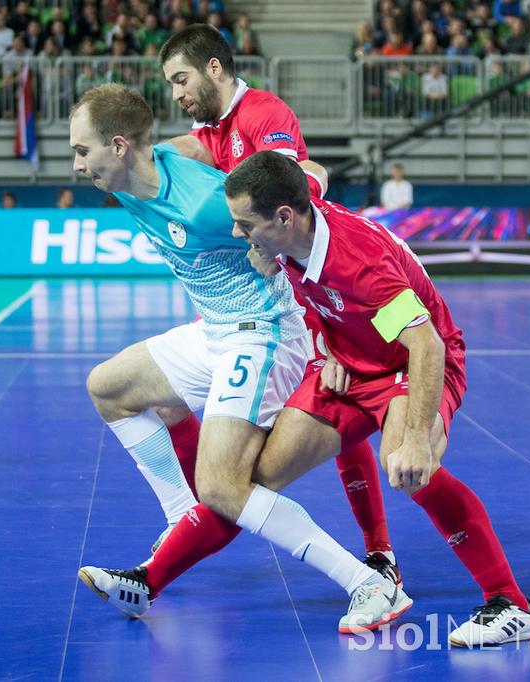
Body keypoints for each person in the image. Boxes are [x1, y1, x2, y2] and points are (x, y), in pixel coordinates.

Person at [70, 85, 410, 632]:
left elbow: (303, 223)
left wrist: (327, 339)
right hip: (214, 330)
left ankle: (368, 583)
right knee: (109, 387)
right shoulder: (143, 169)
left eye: (82, 151)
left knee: (226, 487)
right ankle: (182, 516)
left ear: (118, 146)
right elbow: (187, 144)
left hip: (263, 332)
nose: (76, 164)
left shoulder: (207, 205)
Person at [124, 24, 400, 589]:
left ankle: (376, 557)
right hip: (272, 296)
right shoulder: (210, 130)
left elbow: (293, 186)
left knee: (338, 416)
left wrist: (278, 229)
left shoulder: (261, 113)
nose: (176, 93)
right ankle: (193, 515)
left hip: (313, 288)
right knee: (173, 404)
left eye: (181, 79)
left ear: (215, 70)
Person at [224, 150, 530, 646]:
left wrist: (415, 436)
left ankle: (510, 604)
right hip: (355, 355)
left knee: (407, 468)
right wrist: (328, 347)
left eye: (245, 224)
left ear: (285, 217)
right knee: (264, 476)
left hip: (412, 361)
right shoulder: (299, 214)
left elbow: (427, 344)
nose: (239, 235)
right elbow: (312, 176)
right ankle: (380, 563)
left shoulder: (361, 265)